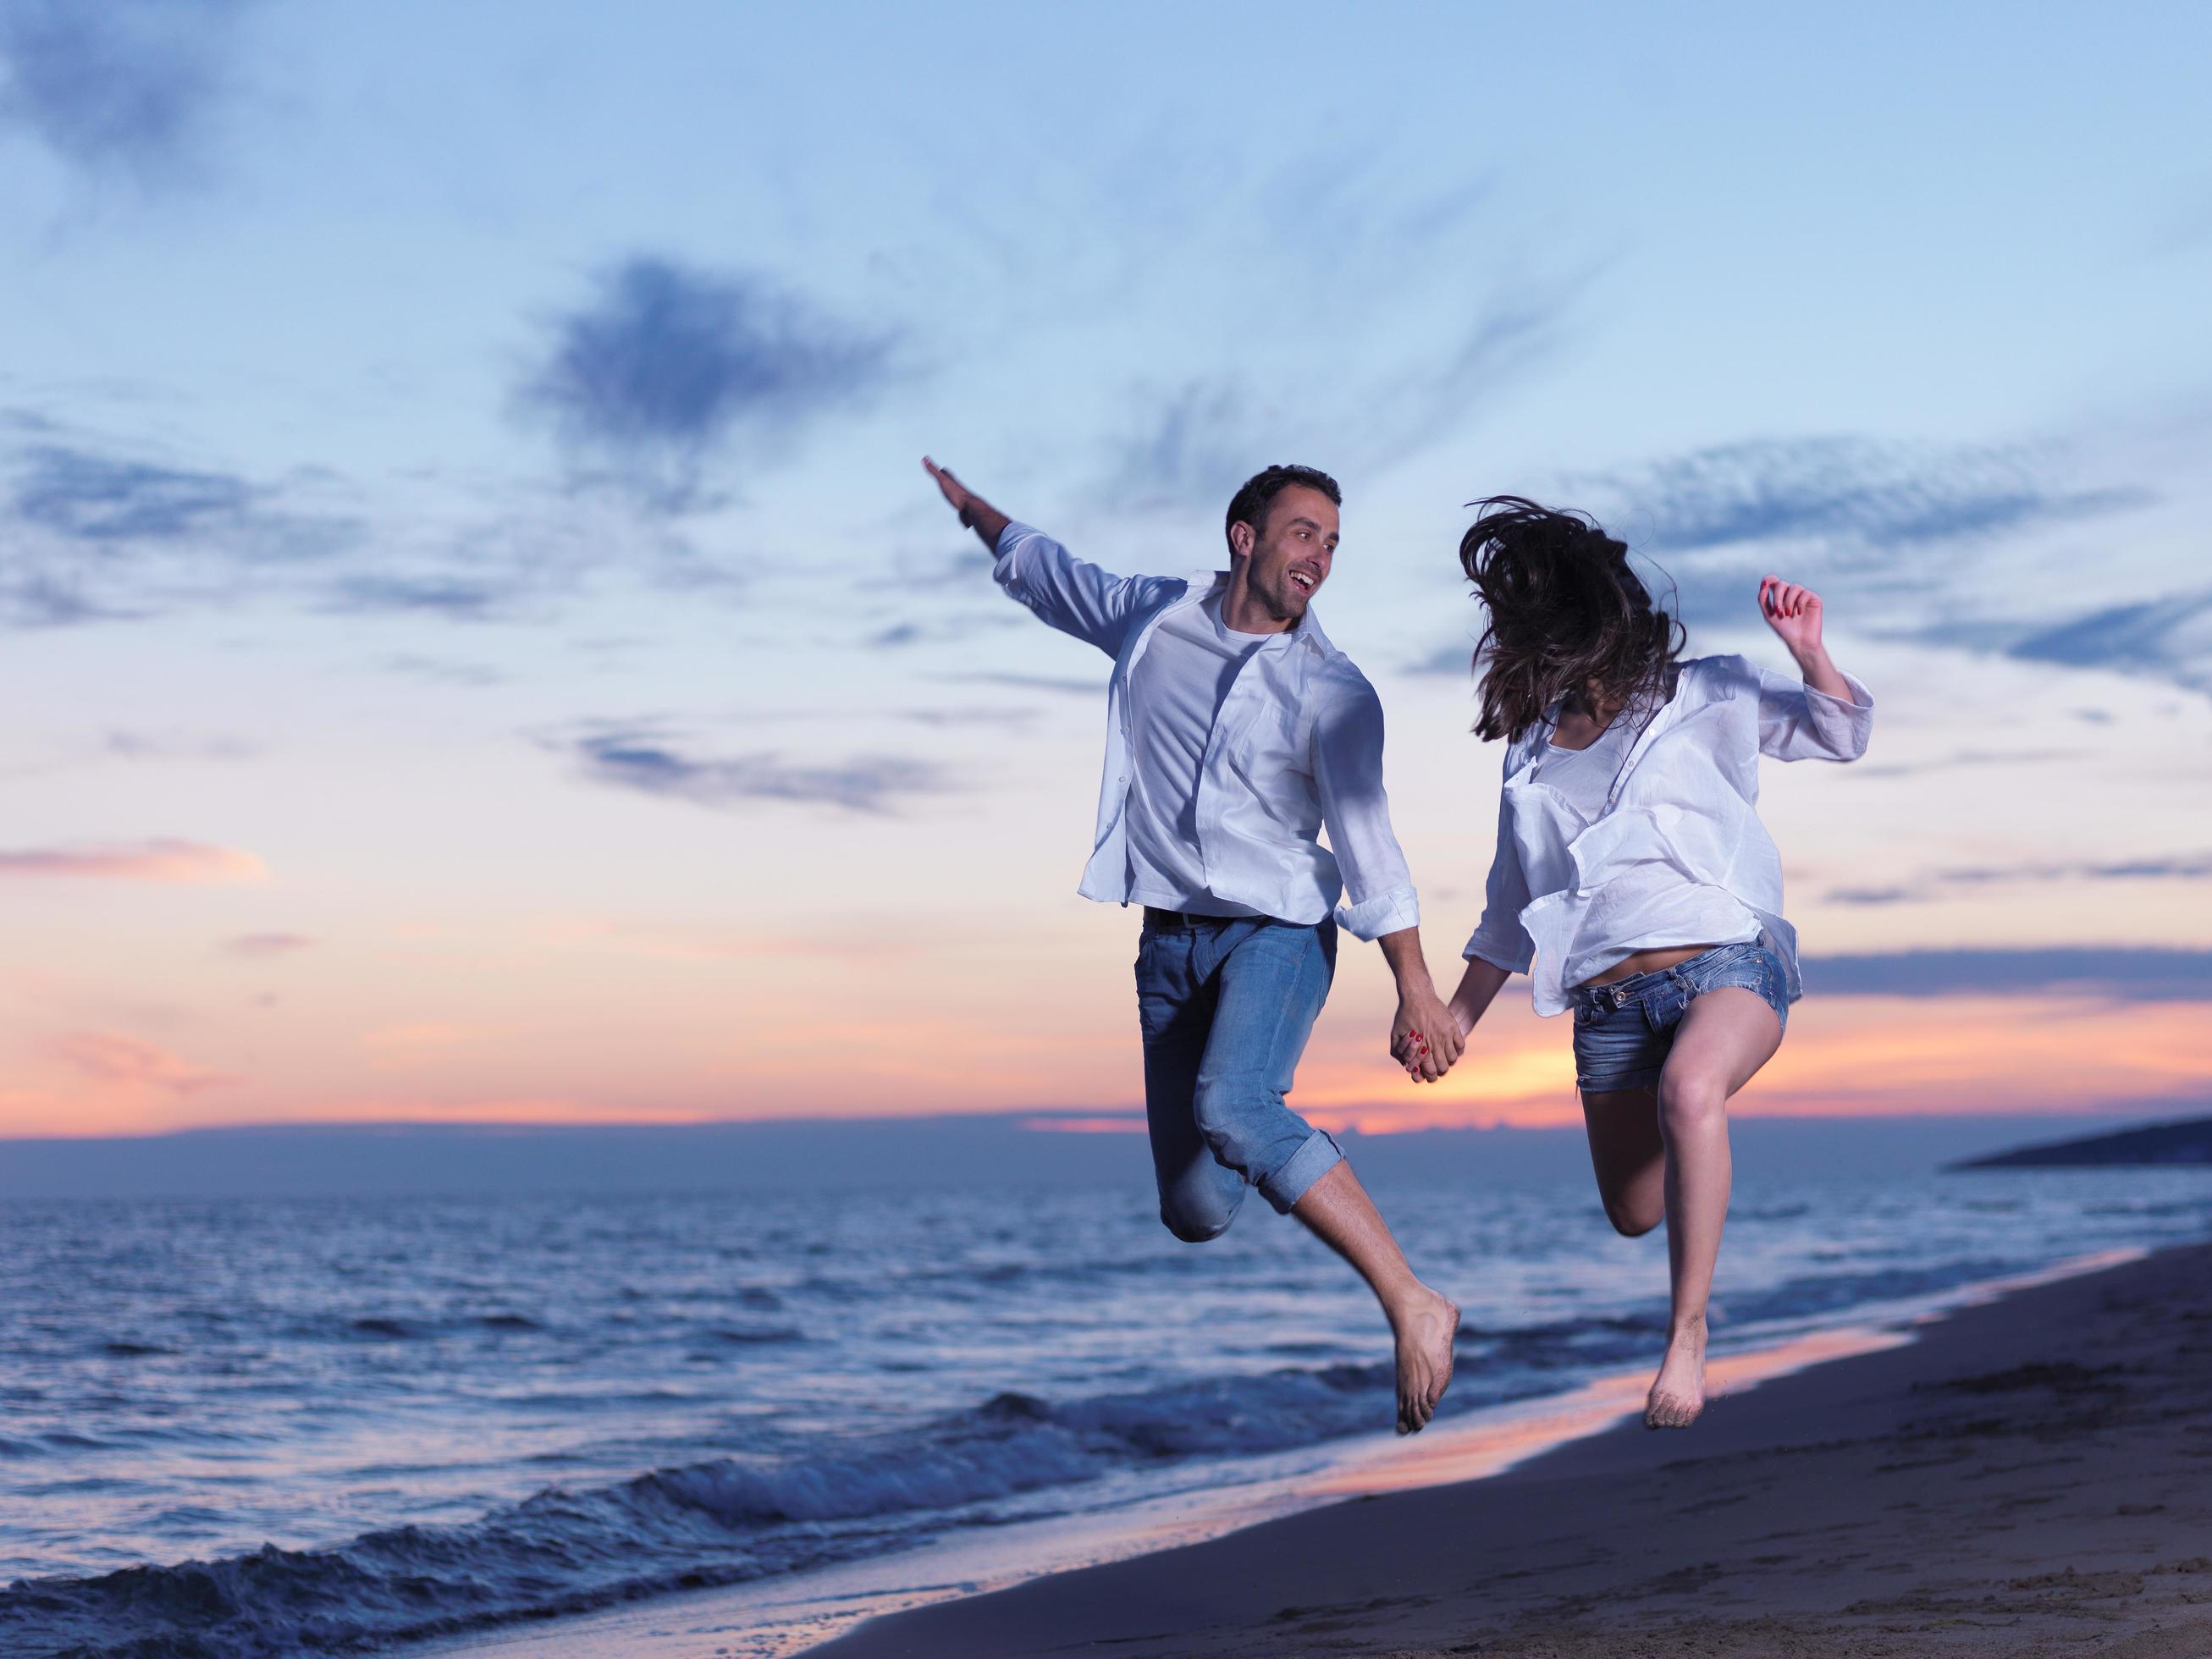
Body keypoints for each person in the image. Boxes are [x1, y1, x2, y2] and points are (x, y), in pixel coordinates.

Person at [923, 456, 1462, 1433]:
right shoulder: (1156, 617)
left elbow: (1369, 840)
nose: (1321, 558)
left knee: (1235, 1103)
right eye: (1305, 532)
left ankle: (1413, 1300)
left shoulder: (1336, 691)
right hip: (1168, 946)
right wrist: (972, 511)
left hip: (1279, 934)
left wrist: (1415, 989)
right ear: (1243, 535)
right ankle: (1275, 1144)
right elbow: (1052, 573)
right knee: (1197, 1208)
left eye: (1334, 543)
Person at [1428, 497, 1873, 1429]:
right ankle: (1700, 1155)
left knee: (1687, 1092)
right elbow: (1511, 909)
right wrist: (1458, 1016)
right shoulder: (1529, 754)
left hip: (1724, 963)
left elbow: (1838, 732)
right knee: (1634, 1211)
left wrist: (1809, 652)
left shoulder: (1708, 691)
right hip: (1608, 1006)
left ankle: (1689, 1334)